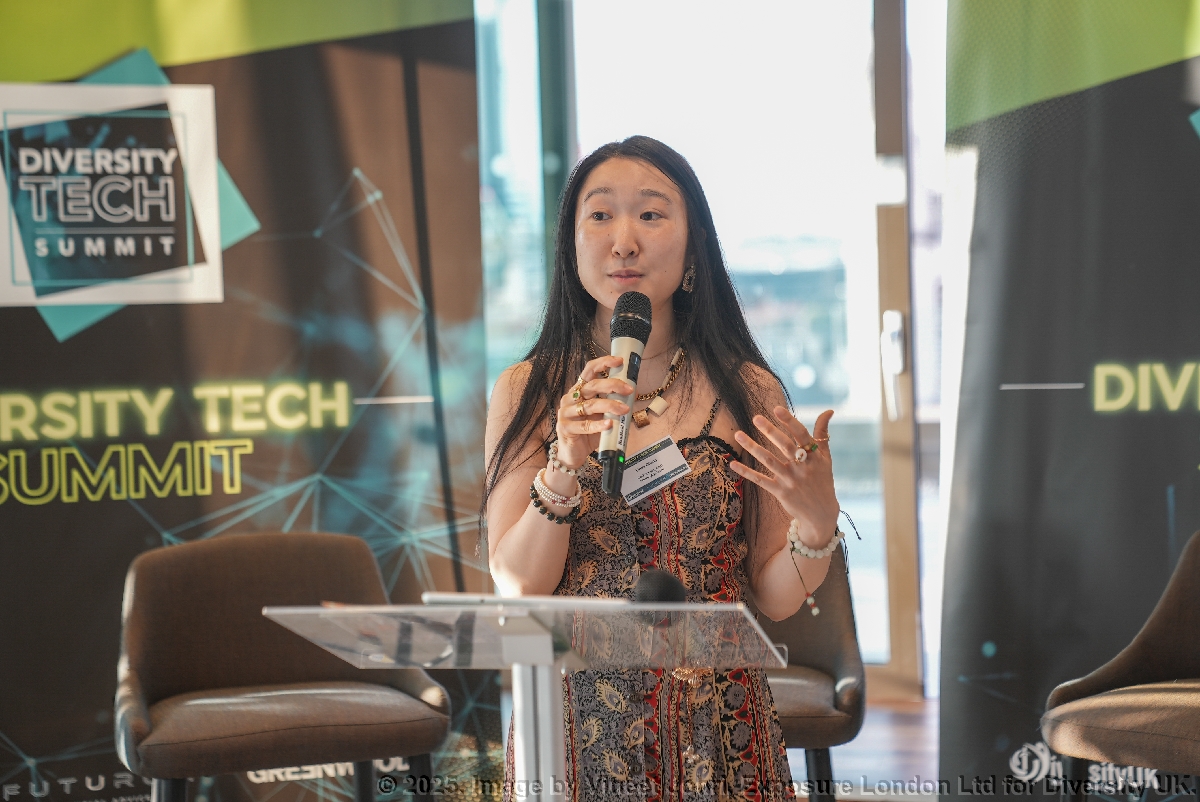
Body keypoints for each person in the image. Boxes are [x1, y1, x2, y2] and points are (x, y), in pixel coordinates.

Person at [484, 136, 842, 801]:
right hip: (574, 727)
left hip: (719, 725)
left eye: (650, 215)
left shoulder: (747, 391)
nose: (624, 241)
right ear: (571, 246)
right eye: (600, 215)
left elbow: (776, 596)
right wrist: (565, 462)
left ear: (694, 248)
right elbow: (519, 583)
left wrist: (817, 525)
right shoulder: (527, 391)